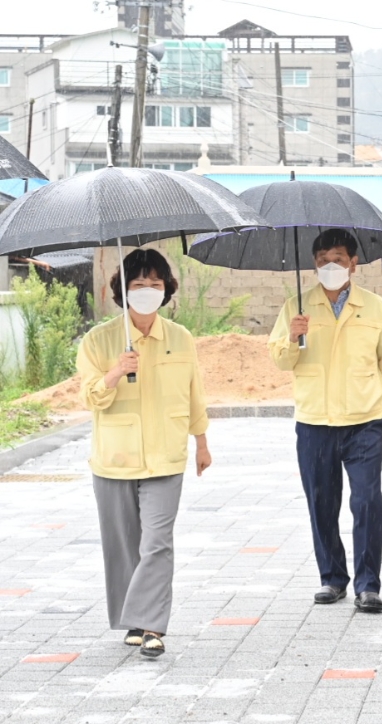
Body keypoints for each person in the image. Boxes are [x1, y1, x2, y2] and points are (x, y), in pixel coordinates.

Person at [77, 248, 211, 659]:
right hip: (115, 458)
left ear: (166, 288)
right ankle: (132, 620)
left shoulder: (180, 338)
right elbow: (90, 398)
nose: (148, 290)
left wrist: (201, 441)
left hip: (166, 456)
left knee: (156, 543)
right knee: (123, 545)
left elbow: (194, 393)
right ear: (123, 290)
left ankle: (152, 625)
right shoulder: (99, 341)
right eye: (138, 284)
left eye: (155, 283)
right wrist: (116, 371)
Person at [269, 228, 382, 614]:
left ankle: (368, 585)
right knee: (321, 502)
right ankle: (332, 578)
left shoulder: (375, 307)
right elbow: (280, 360)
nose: (330, 266)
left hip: (364, 420)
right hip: (314, 421)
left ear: (353, 263)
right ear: (313, 265)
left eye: (338, 259)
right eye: (322, 260)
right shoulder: (297, 306)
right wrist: (292, 337)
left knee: (367, 501)